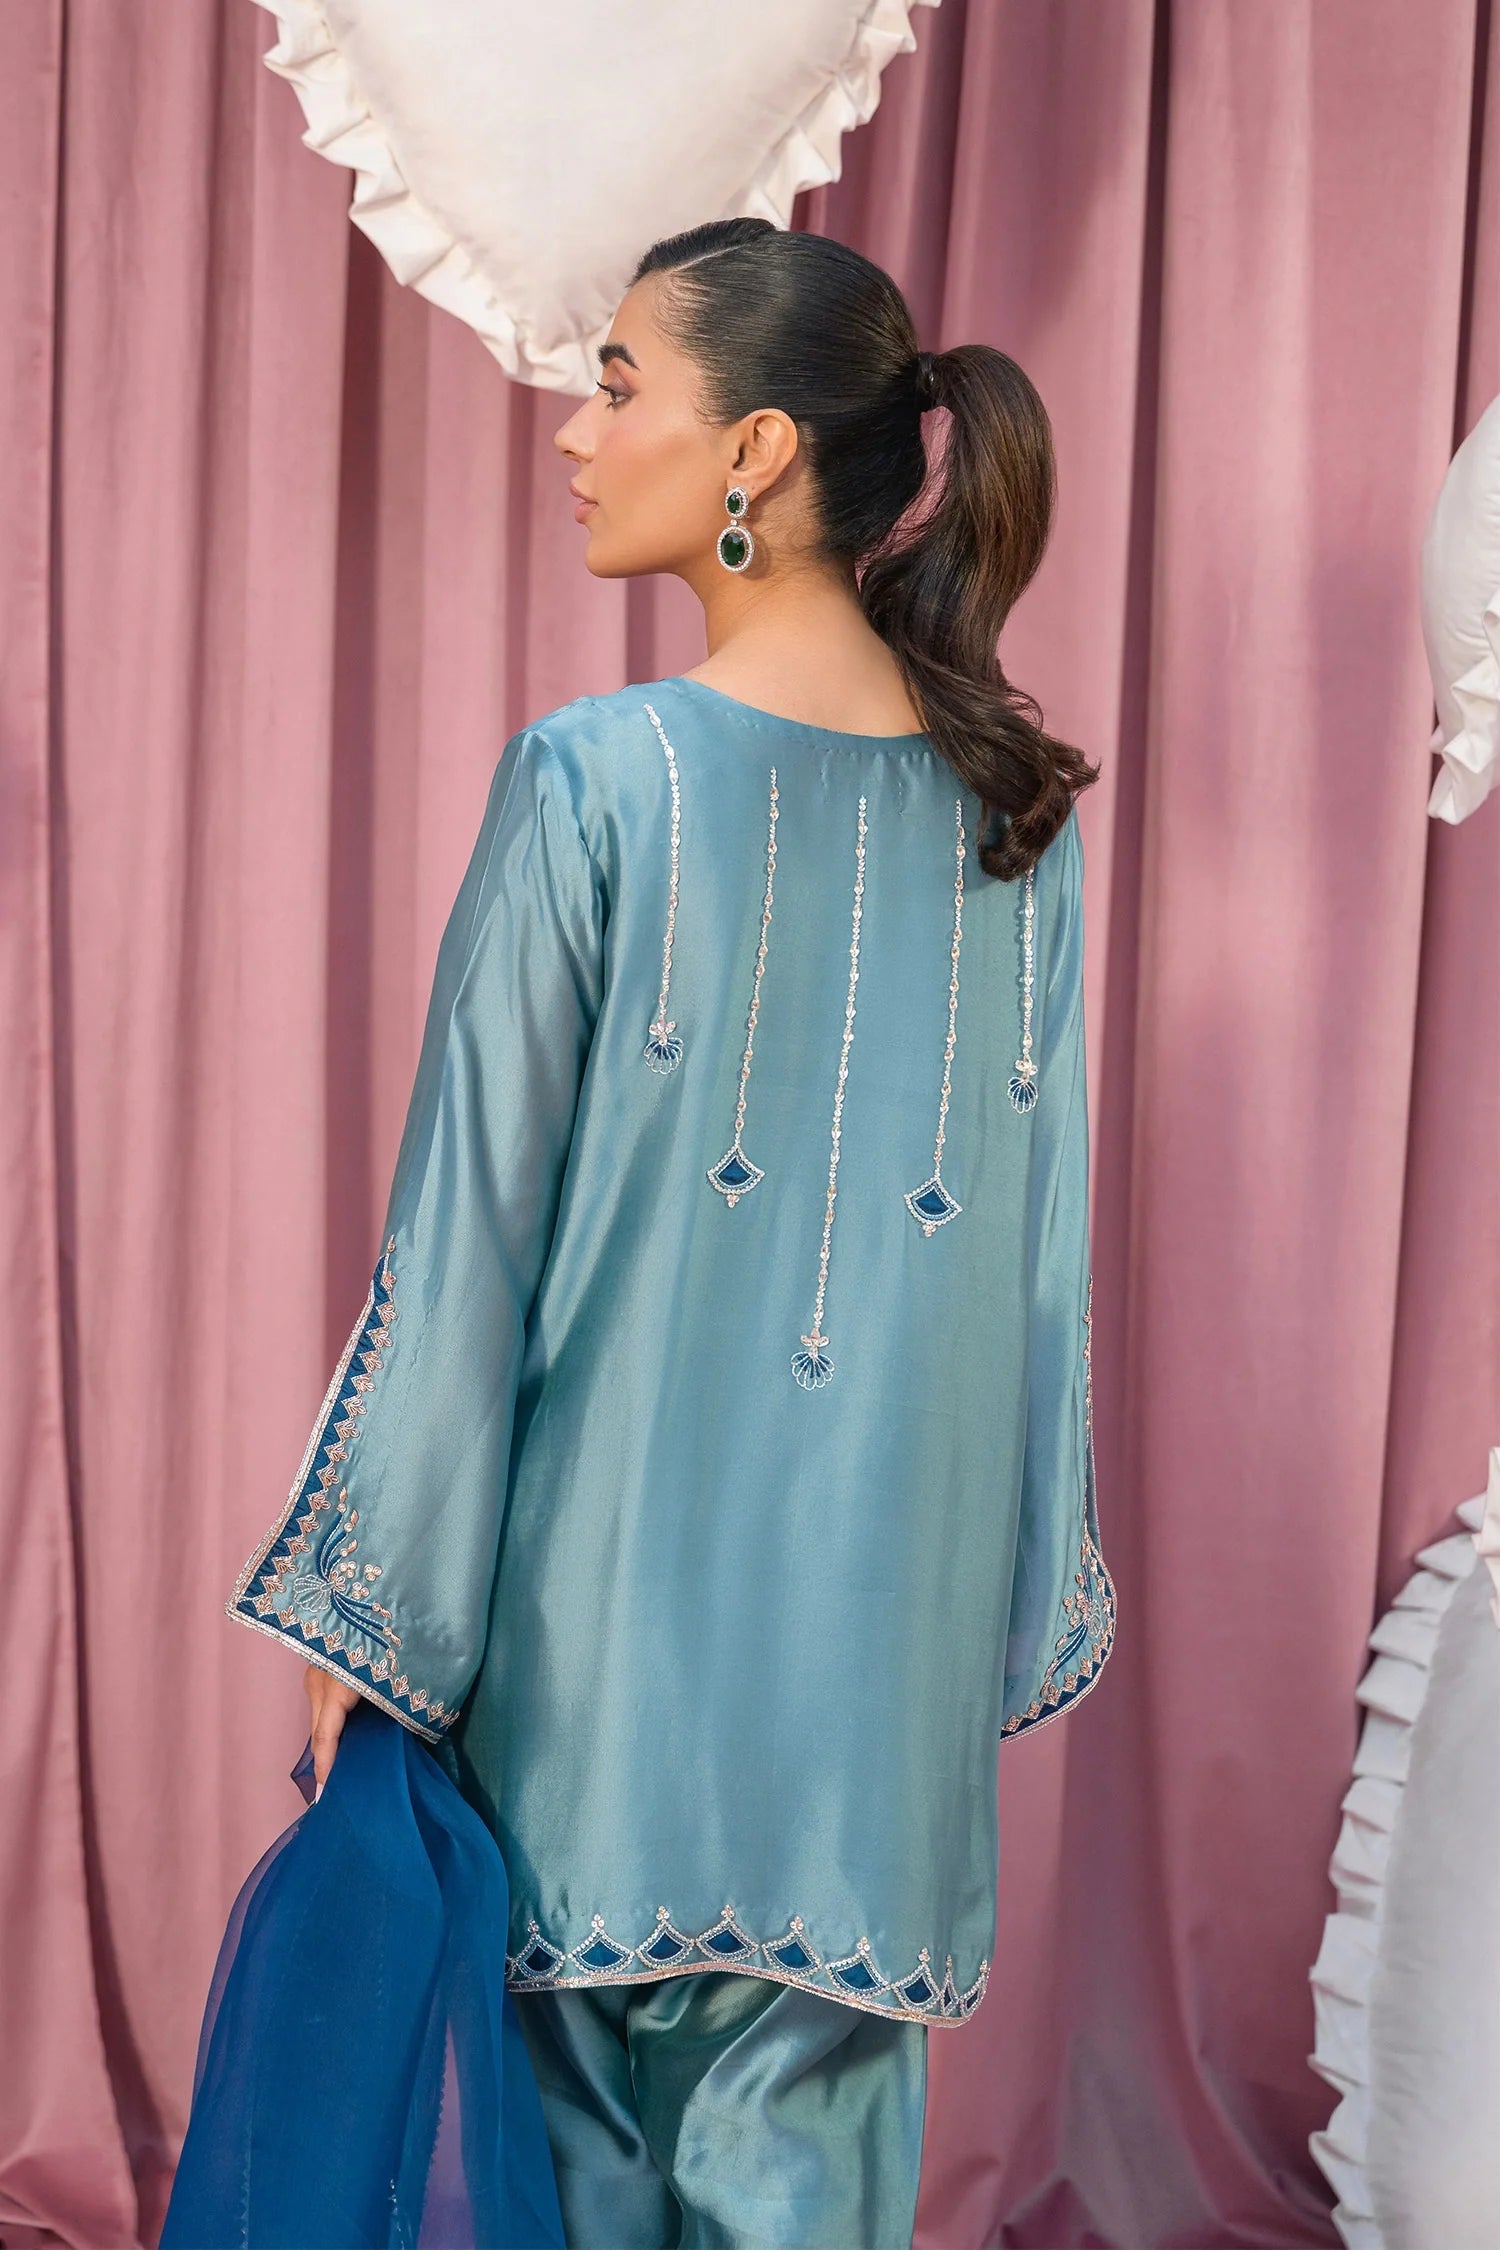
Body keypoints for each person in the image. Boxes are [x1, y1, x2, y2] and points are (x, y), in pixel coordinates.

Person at [228, 214, 1115, 2249]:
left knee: (577, 2175)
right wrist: (1005, 1611)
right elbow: (1042, 1283)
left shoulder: (594, 781)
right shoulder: (1018, 828)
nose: (575, 428)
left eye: (619, 382)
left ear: (757, 452)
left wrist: (377, 1624)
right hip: (877, 1698)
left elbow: (466, 1244)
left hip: (598, 1662)